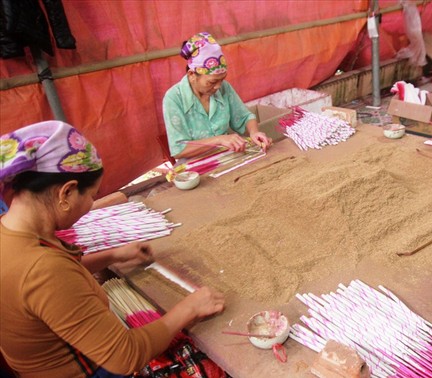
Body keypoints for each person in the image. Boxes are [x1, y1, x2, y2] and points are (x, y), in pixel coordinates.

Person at [0, 121, 226, 377]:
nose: (91, 204)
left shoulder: (11, 232)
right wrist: (190, 308)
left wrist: (113, 255)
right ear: (66, 193)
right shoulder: (44, 270)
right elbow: (125, 357)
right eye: (92, 196)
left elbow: (53, 284)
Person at [162, 32, 272, 161]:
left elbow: (245, 117)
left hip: (227, 158)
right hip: (195, 167)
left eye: (222, 79)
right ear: (192, 75)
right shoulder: (174, 98)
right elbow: (179, 149)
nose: (218, 86)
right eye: (212, 82)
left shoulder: (224, 88)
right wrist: (219, 140)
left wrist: (254, 132)